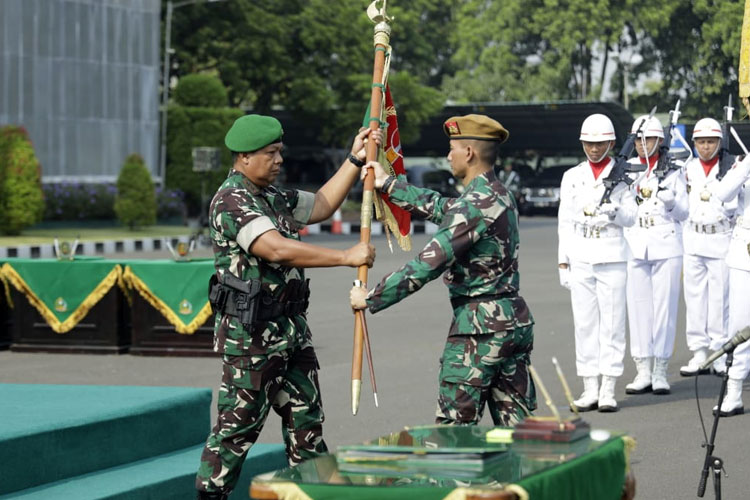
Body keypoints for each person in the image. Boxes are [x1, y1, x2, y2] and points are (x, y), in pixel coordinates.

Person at [195, 114, 378, 500]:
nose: (279, 160)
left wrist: (355, 159)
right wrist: (346, 256)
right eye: (271, 153)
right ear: (244, 157)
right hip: (253, 343)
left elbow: (323, 204)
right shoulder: (231, 200)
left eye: (280, 152)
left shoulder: (273, 196)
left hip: (291, 336)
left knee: (308, 430)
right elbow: (274, 248)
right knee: (235, 434)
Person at [350, 114, 537, 427]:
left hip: (479, 331)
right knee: (518, 431)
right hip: (511, 323)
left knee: (453, 436)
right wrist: (388, 184)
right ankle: (527, 476)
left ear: (469, 153)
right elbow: (440, 207)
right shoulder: (498, 194)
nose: (448, 155)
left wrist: (370, 298)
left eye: (453, 148)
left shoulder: (474, 205)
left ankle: (457, 479)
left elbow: (426, 264)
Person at [557, 113, 637, 413]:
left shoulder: (623, 174)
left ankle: (608, 387)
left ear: (612, 143)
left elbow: (632, 217)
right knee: (585, 324)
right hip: (580, 253)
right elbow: (564, 221)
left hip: (612, 253)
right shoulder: (572, 176)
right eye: (588, 143)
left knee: (613, 324)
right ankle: (590, 386)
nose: (593, 148)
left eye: (600, 143)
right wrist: (562, 262)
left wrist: (615, 210)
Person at [622, 115, 688, 396]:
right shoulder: (626, 169)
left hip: (665, 241)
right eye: (638, 139)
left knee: (665, 308)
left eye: (647, 139)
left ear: (660, 141)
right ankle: (642, 369)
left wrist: (671, 202)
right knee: (638, 309)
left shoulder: (674, 170)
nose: (642, 144)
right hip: (635, 241)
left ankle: (660, 368)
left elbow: (684, 212)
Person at [679, 118, 737, 377]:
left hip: (720, 238)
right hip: (693, 238)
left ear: (719, 142)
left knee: (719, 299)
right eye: (701, 141)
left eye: (710, 141)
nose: (705, 146)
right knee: (694, 299)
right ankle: (698, 351)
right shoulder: (687, 168)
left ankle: (718, 350)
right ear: (694, 143)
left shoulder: (731, 167)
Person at [701, 146, 750, 416]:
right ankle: (734, 392)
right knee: (740, 326)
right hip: (745, 250)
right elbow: (722, 194)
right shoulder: (744, 163)